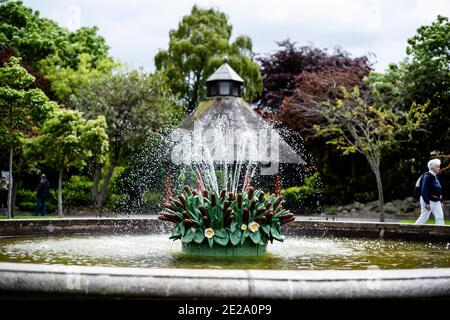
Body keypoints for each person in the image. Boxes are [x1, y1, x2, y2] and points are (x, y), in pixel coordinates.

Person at [415, 159, 444, 225]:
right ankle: (412, 230)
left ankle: (440, 233)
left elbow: (439, 190)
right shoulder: (427, 176)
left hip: (436, 201)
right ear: (432, 168)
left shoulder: (435, 176)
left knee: (440, 217)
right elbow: (424, 190)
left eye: (439, 166)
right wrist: (427, 202)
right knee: (424, 217)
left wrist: (441, 201)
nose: (439, 168)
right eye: (437, 166)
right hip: (428, 200)